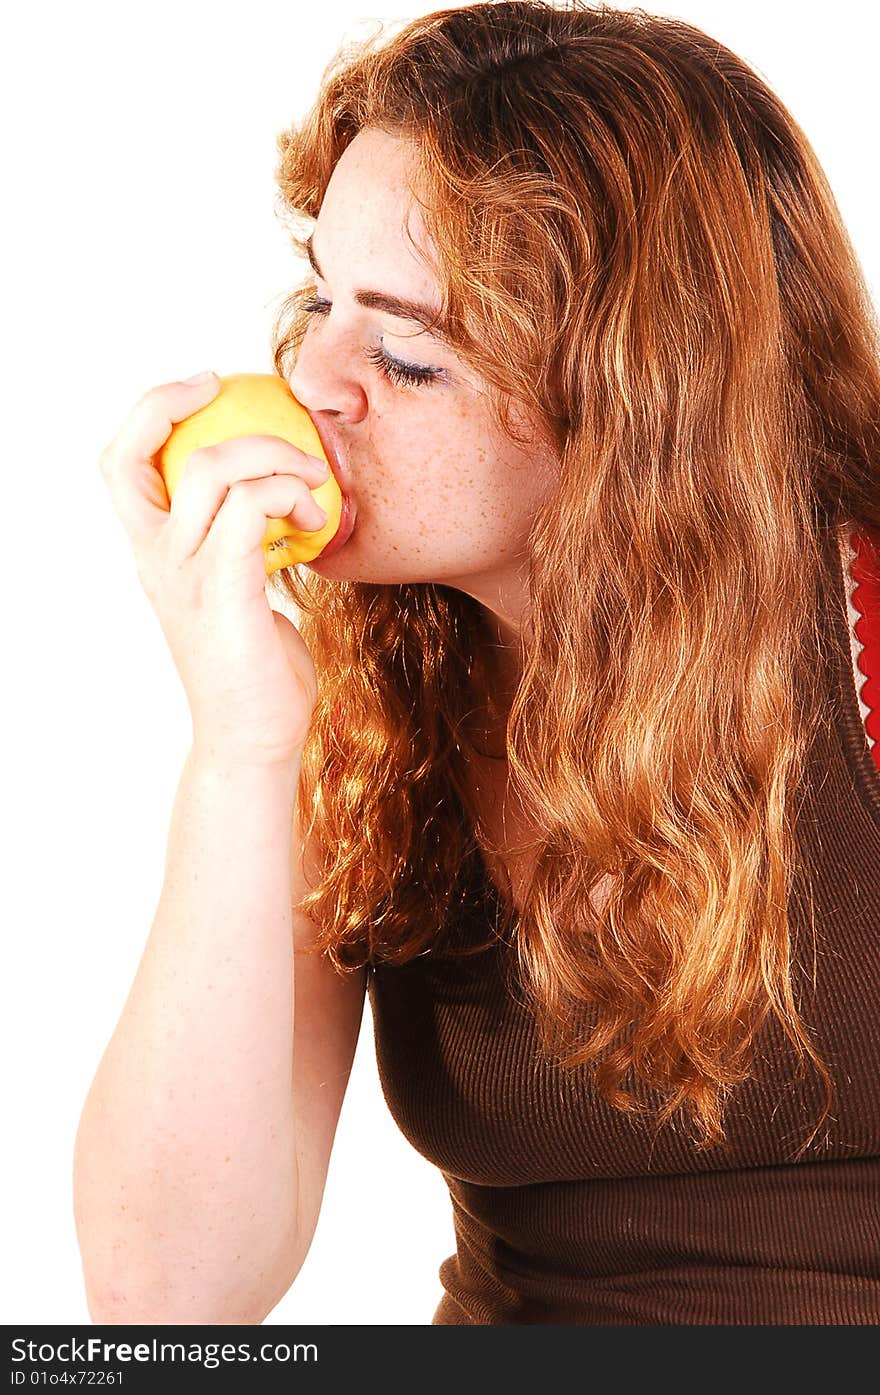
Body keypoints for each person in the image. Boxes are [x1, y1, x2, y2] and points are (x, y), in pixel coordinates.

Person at [74, 0, 880, 1325]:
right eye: (319, 296)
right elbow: (162, 1305)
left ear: (639, 403)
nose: (312, 379)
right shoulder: (373, 694)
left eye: (407, 352)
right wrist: (241, 747)